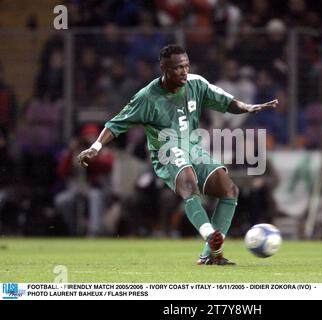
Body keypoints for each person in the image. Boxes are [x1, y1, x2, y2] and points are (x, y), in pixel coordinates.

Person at [77, 44, 278, 265]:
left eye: (186, 66)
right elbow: (115, 124)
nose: (184, 71)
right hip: (167, 151)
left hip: (193, 147)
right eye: (177, 68)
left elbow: (226, 101)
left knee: (230, 190)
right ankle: (210, 236)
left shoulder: (196, 83)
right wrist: (95, 147)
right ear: (164, 68)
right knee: (190, 187)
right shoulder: (147, 97)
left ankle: (210, 256)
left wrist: (247, 107)